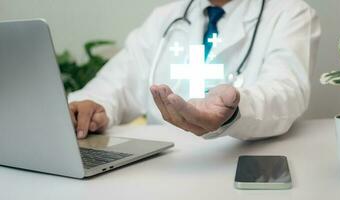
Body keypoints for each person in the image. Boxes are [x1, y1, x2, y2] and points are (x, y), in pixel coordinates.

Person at [68, 0, 321, 140]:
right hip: (163, 165)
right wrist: (93, 105)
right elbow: (118, 80)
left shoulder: (291, 13)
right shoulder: (164, 17)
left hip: (237, 160)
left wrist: (236, 109)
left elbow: (287, 90)